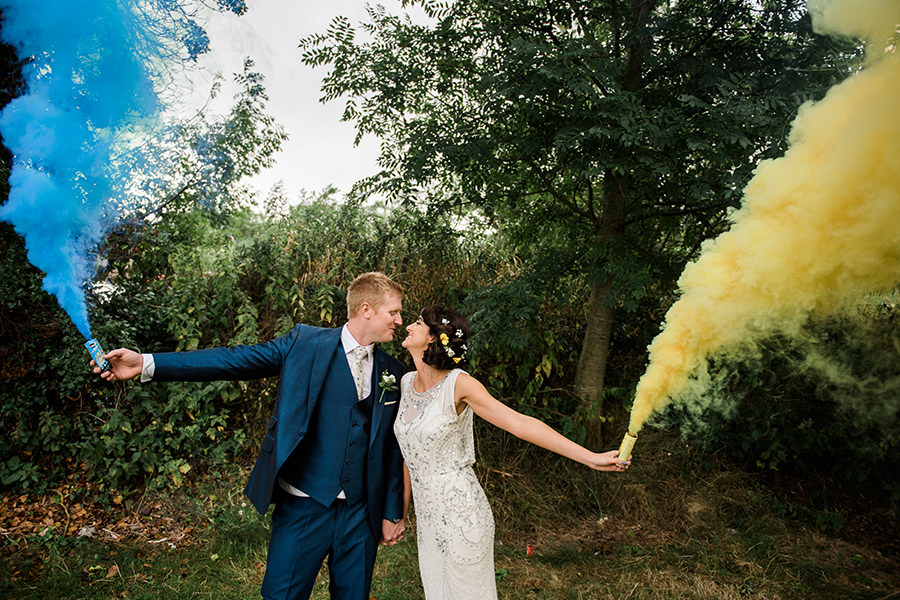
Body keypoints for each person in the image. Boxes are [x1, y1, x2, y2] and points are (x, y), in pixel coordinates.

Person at [91, 272, 409, 600]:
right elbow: (233, 361)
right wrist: (145, 363)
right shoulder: (304, 343)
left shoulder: (393, 371)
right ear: (367, 310)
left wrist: (391, 511)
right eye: (394, 312)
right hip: (304, 503)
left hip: (360, 513)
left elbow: (391, 447)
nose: (400, 320)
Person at [395, 305, 630, 600]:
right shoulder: (405, 383)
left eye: (417, 323)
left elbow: (520, 424)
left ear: (432, 338)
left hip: (462, 516)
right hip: (428, 520)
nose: (407, 327)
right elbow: (408, 452)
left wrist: (591, 457)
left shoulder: (459, 384)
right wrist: (400, 513)